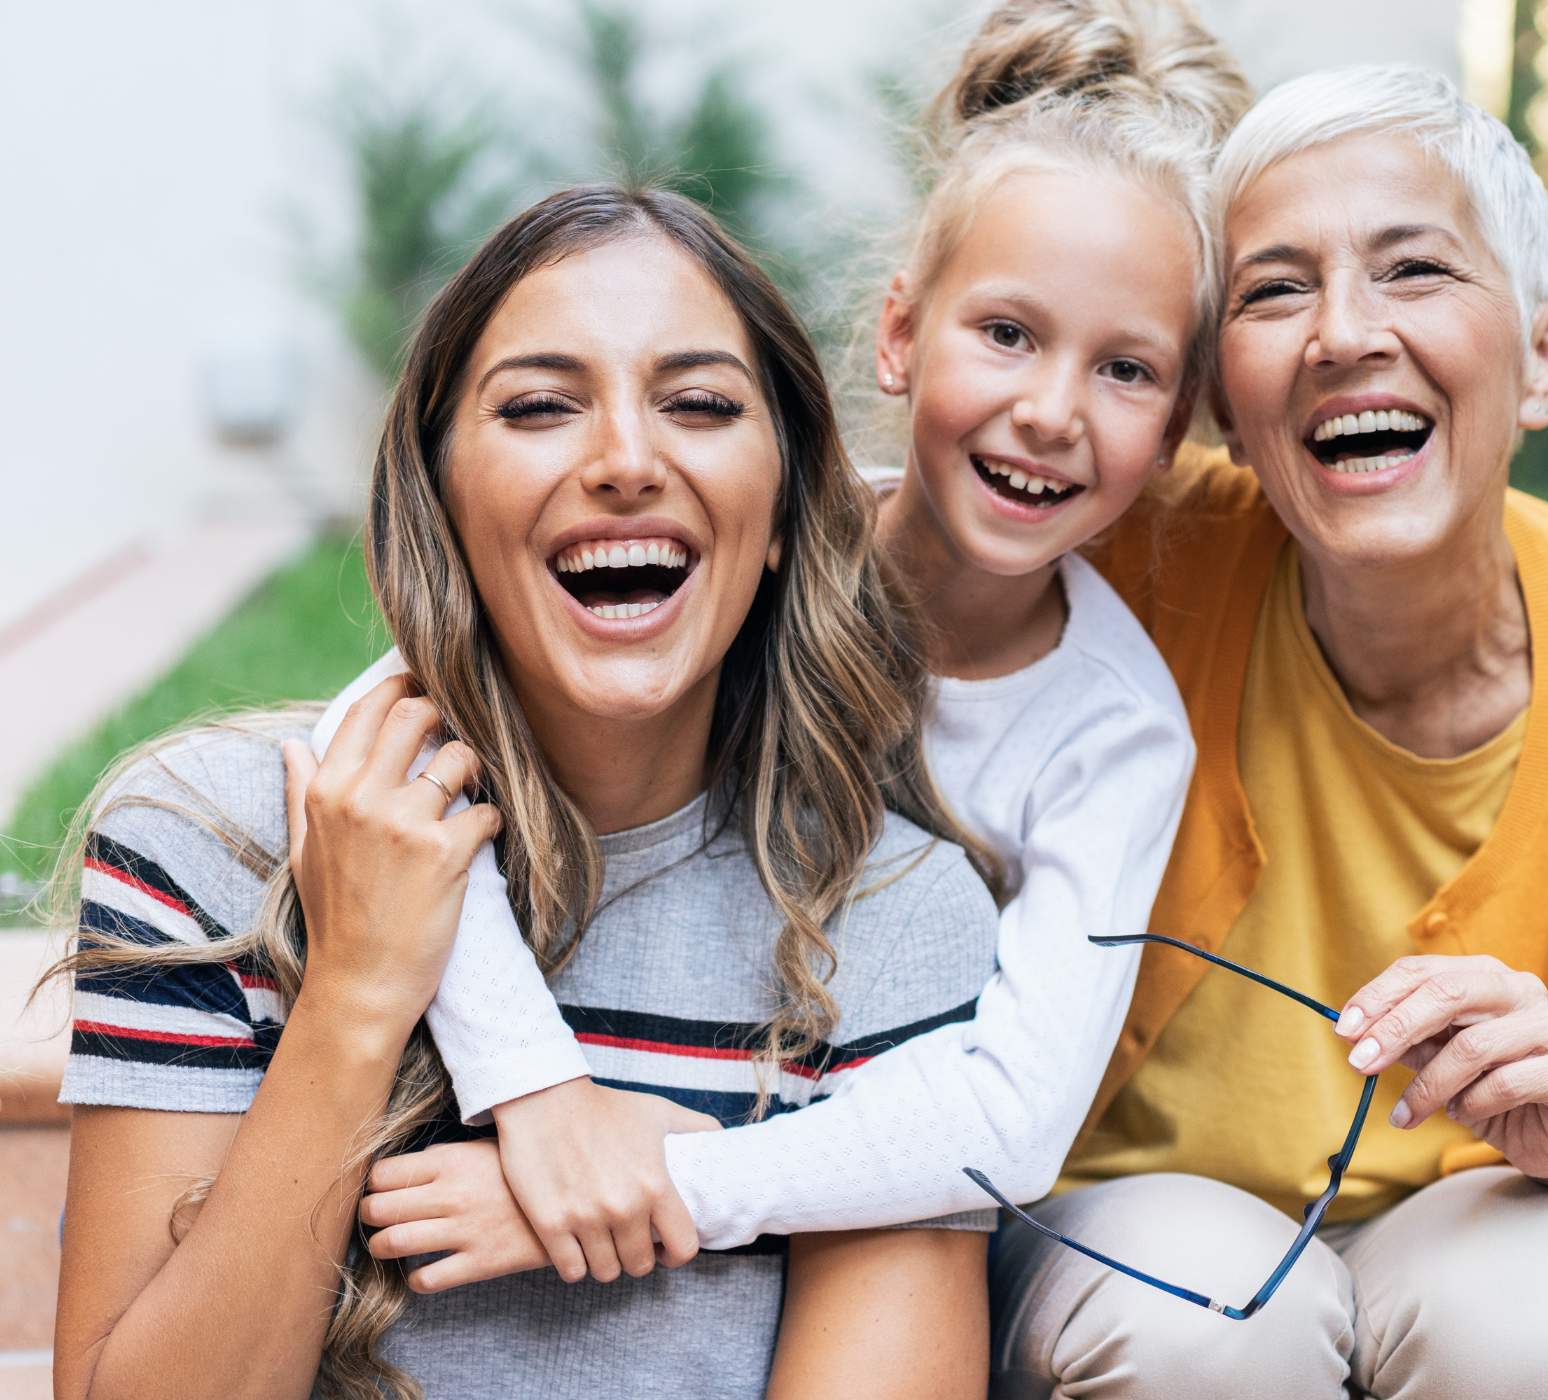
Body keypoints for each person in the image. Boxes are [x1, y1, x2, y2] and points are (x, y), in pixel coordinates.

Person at [319, 0, 1250, 1287]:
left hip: (889, 1235)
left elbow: (1010, 1121)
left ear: (1183, 420)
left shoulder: (1113, 733)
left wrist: (643, 1181)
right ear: (897, 336)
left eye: (1127, 371)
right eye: (1007, 334)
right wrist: (538, 1091)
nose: (1050, 412)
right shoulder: (744, 548)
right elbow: (377, 728)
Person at [48, 185, 1000, 1400]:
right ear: (442, 497)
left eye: (699, 404)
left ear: (780, 513)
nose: (623, 461)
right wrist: (357, 991)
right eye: (541, 406)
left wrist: (690, 1176)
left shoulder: (896, 913)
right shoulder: (203, 836)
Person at [991, 66, 1548, 1398]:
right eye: (1273, 289)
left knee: (1535, 1313)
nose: (1342, 334)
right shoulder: (1125, 568)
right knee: (1210, 1324)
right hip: (1135, 1220)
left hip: (1480, 1218)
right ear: (1223, 403)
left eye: (1413, 269)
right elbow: (874, 555)